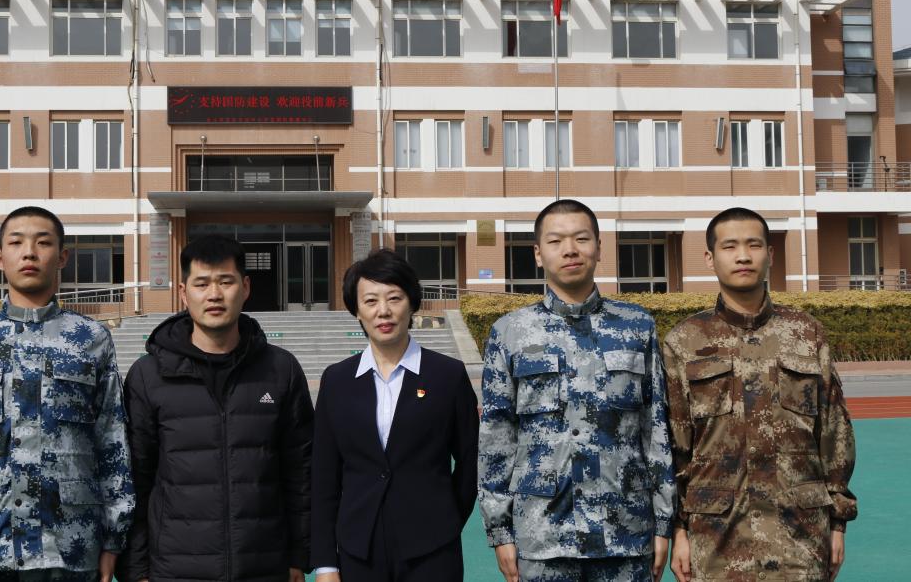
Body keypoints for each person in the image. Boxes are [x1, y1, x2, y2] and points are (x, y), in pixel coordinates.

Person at [479, 199, 674, 582]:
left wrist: (664, 519)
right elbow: (496, 437)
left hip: (626, 533)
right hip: (543, 537)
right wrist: (500, 530)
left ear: (599, 247)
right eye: (556, 241)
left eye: (581, 239)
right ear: (538, 254)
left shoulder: (637, 326)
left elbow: (656, 429)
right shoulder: (510, 333)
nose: (570, 250)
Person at [0, 206, 134, 582]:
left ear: (62, 257)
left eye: (43, 243)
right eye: (16, 243)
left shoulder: (90, 338)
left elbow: (112, 440)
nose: (29, 252)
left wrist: (113, 540)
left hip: (69, 544)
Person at [663, 208, 857, 582]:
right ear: (710, 258)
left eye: (753, 245)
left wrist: (838, 522)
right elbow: (676, 445)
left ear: (769, 253)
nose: (743, 256)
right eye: (730, 246)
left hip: (799, 536)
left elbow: (834, 433)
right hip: (717, 539)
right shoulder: (684, 341)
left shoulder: (806, 333)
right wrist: (679, 530)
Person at [119, 235, 313, 582]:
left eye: (226, 282)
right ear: (183, 292)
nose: (214, 294)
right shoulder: (148, 376)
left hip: (264, 567)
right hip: (175, 570)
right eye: (202, 283)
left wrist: (299, 555)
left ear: (245, 287)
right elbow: (135, 479)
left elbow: (301, 472)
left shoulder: (280, 370)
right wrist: (136, 568)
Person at [310, 249, 480, 582]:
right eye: (370, 301)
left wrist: (445, 520)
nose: (383, 311)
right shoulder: (337, 380)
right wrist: (326, 564)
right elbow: (324, 476)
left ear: (412, 303)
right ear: (356, 310)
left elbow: (471, 460)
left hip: (432, 551)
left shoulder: (447, 375)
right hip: (359, 550)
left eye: (394, 298)